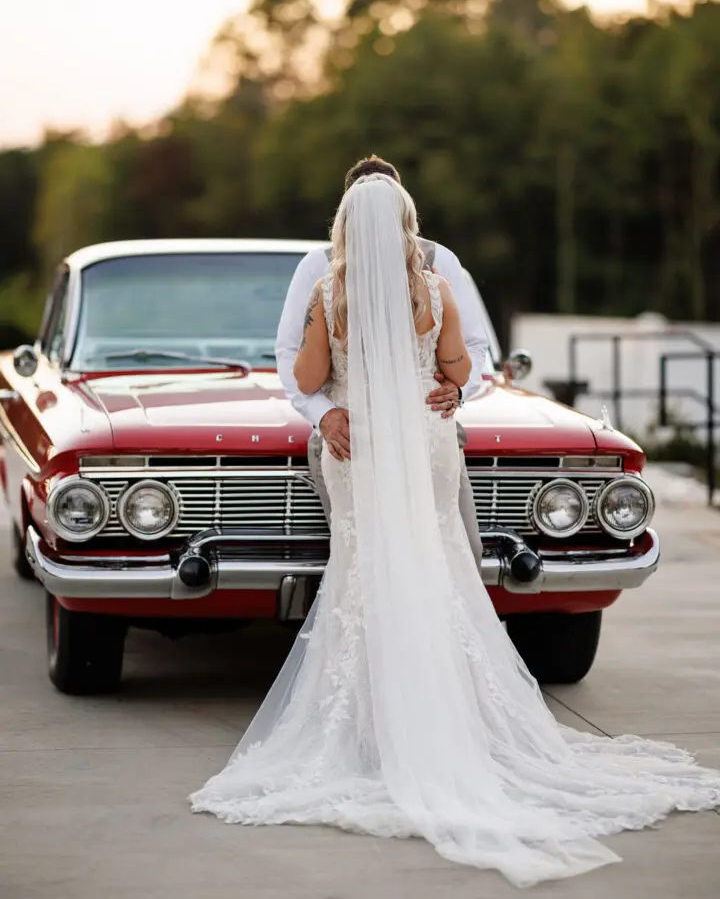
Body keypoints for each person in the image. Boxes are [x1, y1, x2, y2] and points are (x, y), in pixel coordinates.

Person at [190, 174, 720, 888]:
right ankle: (452, 722)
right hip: (426, 439)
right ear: (408, 220)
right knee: (435, 563)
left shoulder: (328, 291)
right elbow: (461, 366)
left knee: (367, 569)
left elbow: (308, 369)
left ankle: (375, 730)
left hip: (365, 447)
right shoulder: (433, 287)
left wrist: (346, 387)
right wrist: (445, 384)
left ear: (345, 223)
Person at [275, 155, 489, 565]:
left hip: (424, 424)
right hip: (348, 431)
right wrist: (323, 414)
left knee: (462, 553)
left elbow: (477, 350)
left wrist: (459, 390)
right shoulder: (316, 268)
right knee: (372, 553)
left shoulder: (440, 261)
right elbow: (286, 353)